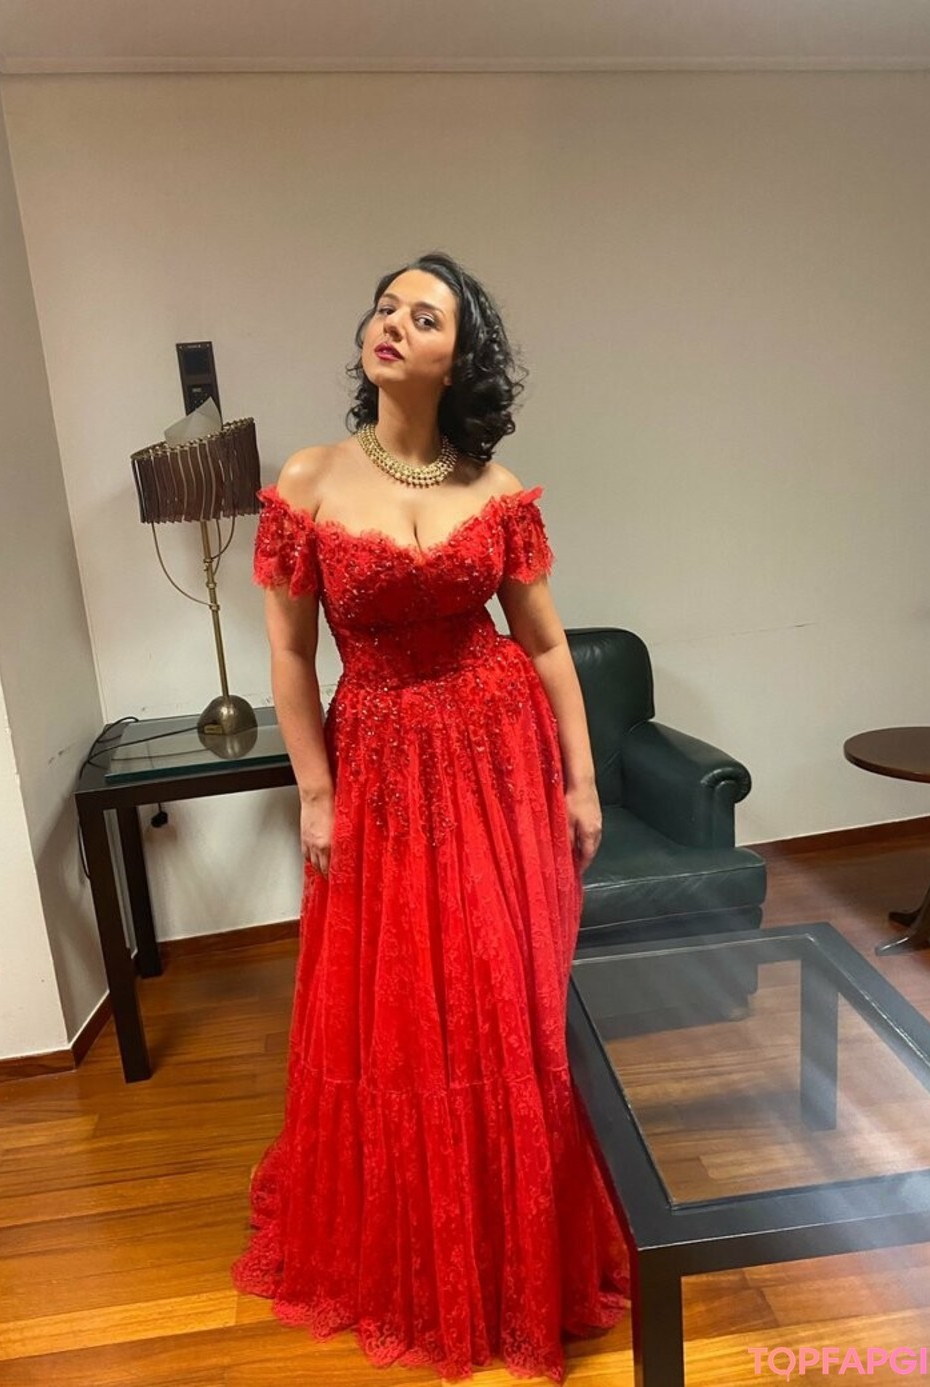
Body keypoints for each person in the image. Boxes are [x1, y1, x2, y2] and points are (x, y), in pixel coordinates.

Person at [231, 250, 629, 1382]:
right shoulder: (308, 480)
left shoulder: (496, 491)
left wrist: (581, 778)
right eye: (386, 306)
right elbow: (290, 658)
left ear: (461, 360)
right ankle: (423, 1256)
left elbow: (544, 645)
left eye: (426, 315)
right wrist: (315, 793)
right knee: (402, 1009)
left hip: (499, 760)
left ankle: (519, 1252)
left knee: (505, 998)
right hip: (382, 769)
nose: (394, 323)